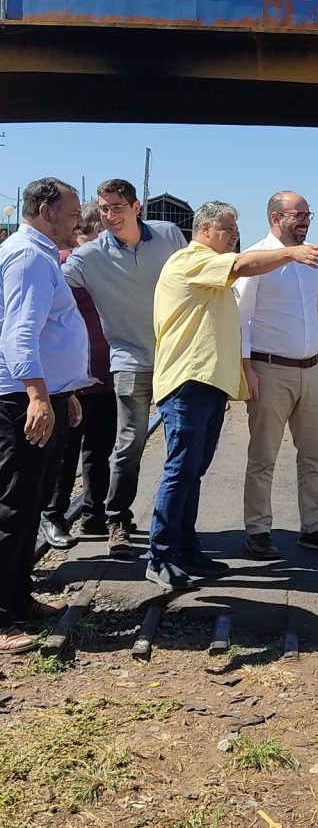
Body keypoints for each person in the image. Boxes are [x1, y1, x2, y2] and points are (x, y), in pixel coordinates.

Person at [147, 201, 318, 590]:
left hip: (210, 384)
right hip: (187, 383)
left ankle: (186, 549)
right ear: (206, 230)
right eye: (228, 231)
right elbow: (244, 266)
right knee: (180, 470)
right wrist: (290, 253)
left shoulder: (211, 273)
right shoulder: (189, 260)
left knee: (193, 471)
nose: (233, 239)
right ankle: (160, 554)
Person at [63, 179, 187, 558]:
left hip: (176, 357)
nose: (110, 215)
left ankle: (178, 524)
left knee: (183, 443)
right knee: (129, 442)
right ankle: (117, 519)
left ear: (136, 208)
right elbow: (50, 290)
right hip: (129, 358)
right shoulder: (88, 258)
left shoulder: (169, 235)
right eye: (103, 209)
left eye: (117, 207)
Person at [234, 191, 318, 560]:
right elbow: (240, 318)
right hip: (269, 371)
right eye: (297, 214)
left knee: (314, 454)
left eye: (307, 215)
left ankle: (314, 527)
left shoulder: (314, 260)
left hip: (310, 371)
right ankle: (257, 531)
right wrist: (246, 369)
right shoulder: (256, 260)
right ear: (274, 217)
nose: (304, 220)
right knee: (264, 456)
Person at [0, 178, 89, 653]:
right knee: (12, 506)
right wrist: (38, 396)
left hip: (38, 392)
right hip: (19, 399)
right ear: (46, 210)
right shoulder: (31, 257)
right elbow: (19, 334)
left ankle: (16, 598)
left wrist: (62, 392)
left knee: (28, 502)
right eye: (73, 212)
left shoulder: (37, 253)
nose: (79, 220)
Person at [41, 201, 118, 546]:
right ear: (86, 233)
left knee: (99, 451)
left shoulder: (109, 268)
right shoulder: (62, 265)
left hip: (105, 374)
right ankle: (53, 516)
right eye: (100, 233)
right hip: (74, 378)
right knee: (65, 452)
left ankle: (93, 515)